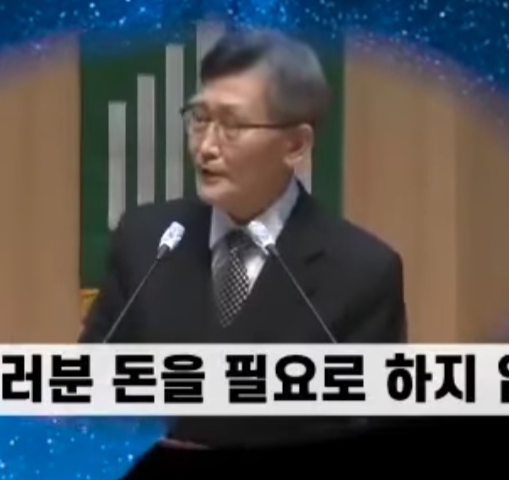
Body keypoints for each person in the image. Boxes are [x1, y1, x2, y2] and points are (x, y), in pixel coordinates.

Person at [79, 28, 407, 449]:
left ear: (295, 144)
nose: (205, 148)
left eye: (232, 126)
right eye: (200, 119)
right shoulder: (145, 239)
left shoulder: (362, 272)